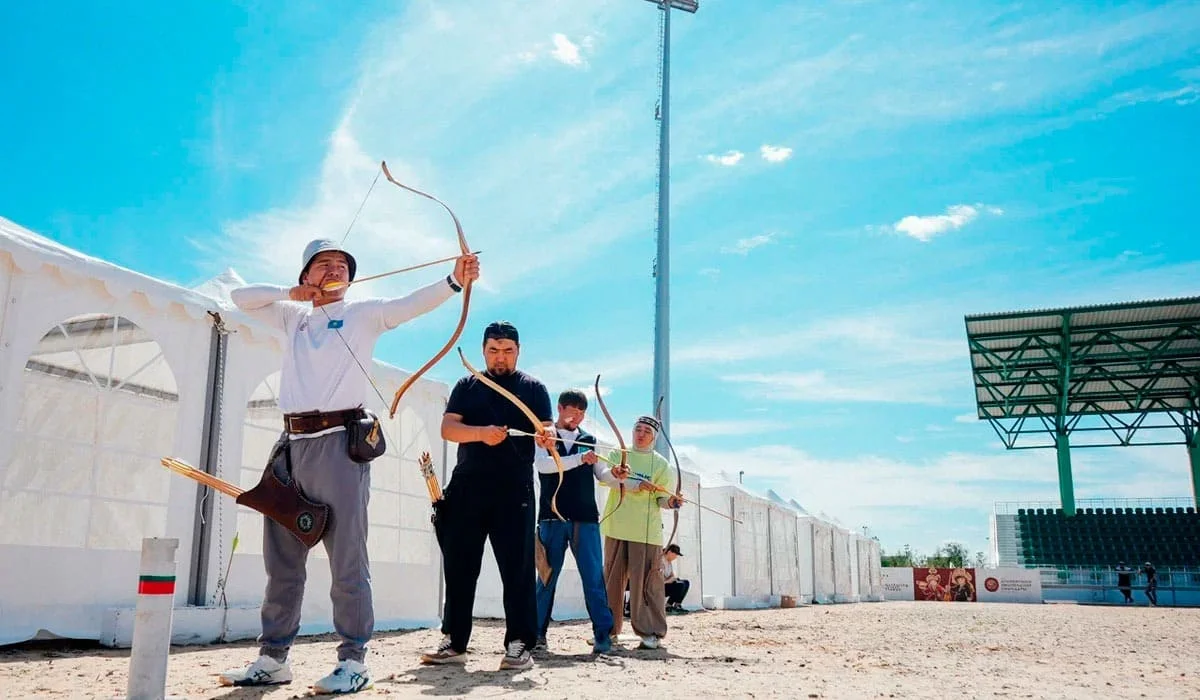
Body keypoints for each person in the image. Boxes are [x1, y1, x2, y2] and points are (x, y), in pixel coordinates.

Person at [219, 239, 478, 692]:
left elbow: (409, 304)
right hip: (290, 446)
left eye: (343, 265)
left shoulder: (363, 313)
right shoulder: (291, 314)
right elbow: (239, 299)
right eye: (323, 264)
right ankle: (273, 656)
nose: (335, 269)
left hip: (340, 444)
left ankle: (353, 659)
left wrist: (455, 280)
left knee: (347, 558)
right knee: (281, 557)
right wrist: (289, 292)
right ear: (306, 275)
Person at [419, 321, 555, 671]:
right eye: (493, 350)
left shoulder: (533, 388)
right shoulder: (468, 384)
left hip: (515, 488)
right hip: (468, 485)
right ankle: (454, 640)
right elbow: (448, 428)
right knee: (460, 565)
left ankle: (520, 642)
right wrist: (481, 433)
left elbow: (546, 427)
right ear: (483, 350)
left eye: (507, 351)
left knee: (518, 568)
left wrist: (547, 436)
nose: (500, 358)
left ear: (518, 351)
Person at [532, 390, 620, 654]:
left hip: (585, 518)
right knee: (546, 577)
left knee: (593, 577)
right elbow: (544, 466)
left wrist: (616, 474)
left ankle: (603, 635)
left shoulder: (588, 439)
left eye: (581, 413)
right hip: (552, 516)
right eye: (572, 411)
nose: (577, 417)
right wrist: (579, 459)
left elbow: (601, 474)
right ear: (559, 408)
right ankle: (536, 634)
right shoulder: (544, 435)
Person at [600, 415, 681, 650]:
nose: (641, 434)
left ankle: (650, 632)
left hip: (646, 533)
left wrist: (673, 502)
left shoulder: (661, 464)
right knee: (611, 582)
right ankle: (607, 631)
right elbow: (607, 479)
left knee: (647, 583)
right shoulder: (619, 453)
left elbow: (663, 498)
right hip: (617, 527)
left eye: (647, 431)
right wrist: (634, 484)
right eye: (638, 429)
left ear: (654, 437)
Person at [661, 544, 690, 613]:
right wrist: (669, 580)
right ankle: (668, 605)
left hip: (667, 583)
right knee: (680, 585)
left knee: (686, 582)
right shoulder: (661, 561)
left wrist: (671, 579)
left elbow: (672, 575)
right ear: (669, 552)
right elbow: (660, 579)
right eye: (675, 554)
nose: (676, 557)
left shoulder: (669, 562)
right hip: (661, 586)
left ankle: (677, 604)